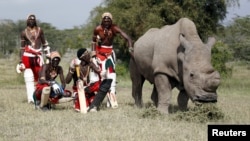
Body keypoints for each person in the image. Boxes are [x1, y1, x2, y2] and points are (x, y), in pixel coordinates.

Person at [91, 12, 134, 108]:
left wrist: (130, 49)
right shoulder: (97, 29)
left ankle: (111, 99)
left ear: (111, 21)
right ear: (102, 20)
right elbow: (93, 41)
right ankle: (93, 100)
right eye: (105, 20)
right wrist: (93, 54)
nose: (106, 22)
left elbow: (128, 38)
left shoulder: (114, 28)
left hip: (109, 54)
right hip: (98, 54)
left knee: (111, 75)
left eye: (108, 20)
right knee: (96, 76)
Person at [17, 14, 50, 104]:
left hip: (38, 57)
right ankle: (31, 99)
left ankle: (39, 96)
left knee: (41, 77)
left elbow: (44, 44)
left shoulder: (40, 30)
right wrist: (20, 61)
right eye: (30, 19)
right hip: (27, 57)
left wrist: (48, 56)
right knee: (28, 78)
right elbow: (22, 48)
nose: (31, 20)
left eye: (33, 19)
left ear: (35, 20)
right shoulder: (24, 33)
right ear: (27, 21)